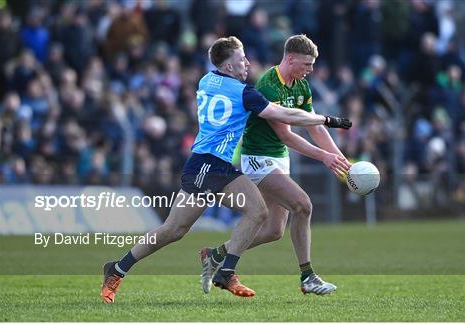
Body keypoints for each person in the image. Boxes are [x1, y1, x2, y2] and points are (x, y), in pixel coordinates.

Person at [101, 36, 351, 302]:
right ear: (230, 66)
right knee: (173, 230)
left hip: (217, 165)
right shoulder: (244, 93)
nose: (247, 63)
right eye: (242, 58)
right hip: (205, 167)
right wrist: (328, 119)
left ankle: (226, 270)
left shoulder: (206, 80)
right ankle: (117, 269)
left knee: (257, 212)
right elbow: (285, 116)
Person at [201, 35, 351, 295]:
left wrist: (341, 160)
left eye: (312, 65)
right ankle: (308, 276)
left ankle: (215, 254)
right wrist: (324, 157)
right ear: (290, 58)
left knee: (273, 230)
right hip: (258, 158)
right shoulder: (269, 85)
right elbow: (286, 135)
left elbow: (315, 127)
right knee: (303, 205)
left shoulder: (302, 86)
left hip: (278, 158)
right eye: (306, 64)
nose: (310, 70)